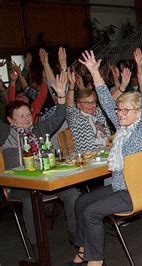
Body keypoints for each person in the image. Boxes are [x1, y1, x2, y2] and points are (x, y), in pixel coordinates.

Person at [66, 50, 142, 266]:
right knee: (81, 202)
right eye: (120, 110)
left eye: (126, 110)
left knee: (90, 212)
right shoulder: (123, 127)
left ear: (139, 112)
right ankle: (83, 249)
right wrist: (94, 72)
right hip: (121, 186)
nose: (120, 114)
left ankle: (95, 261)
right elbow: (107, 102)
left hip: (138, 190)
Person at [0, 72, 80, 259]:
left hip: (46, 180)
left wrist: (61, 96)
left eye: (28, 114)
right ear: (10, 120)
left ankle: (76, 235)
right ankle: (38, 251)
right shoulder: (5, 133)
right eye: (21, 116)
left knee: (73, 194)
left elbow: (58, 118)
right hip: (21, 186)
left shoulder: (38, 129)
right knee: (30, 202)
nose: (27, 119)